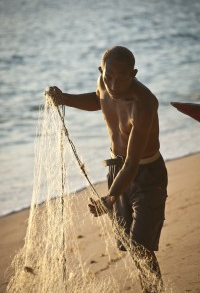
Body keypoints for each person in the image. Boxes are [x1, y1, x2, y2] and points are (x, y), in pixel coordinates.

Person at [46, 46, 168, 292]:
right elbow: (98, 98)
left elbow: (133, 163)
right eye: (108, 76)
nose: (113, 83)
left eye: (122, 77)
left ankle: (156, 290)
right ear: (101, 71)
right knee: (129, 245)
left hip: (146, 175)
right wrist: (65, 98)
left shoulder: (144, 104)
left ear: (134, 74)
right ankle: (148, 289)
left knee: (140, 245)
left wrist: (110, 197)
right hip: (117, 171)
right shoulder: (105, 83)